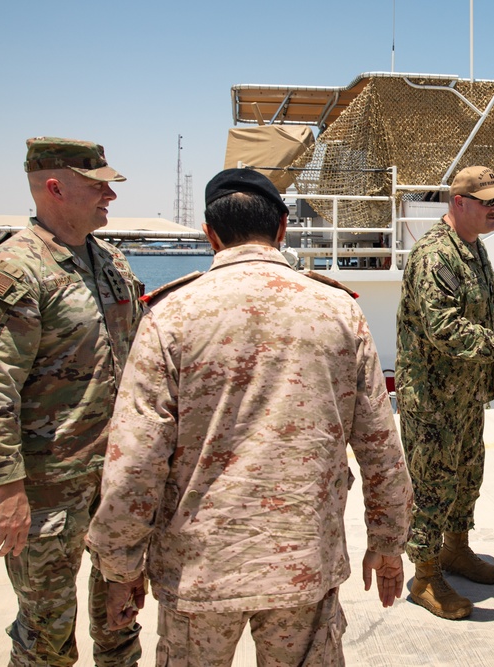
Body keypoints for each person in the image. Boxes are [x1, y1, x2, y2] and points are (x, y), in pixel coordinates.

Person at [85, 168, 413, 666]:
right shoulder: (338, 311)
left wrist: (119, 565)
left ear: (209, 234)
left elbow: (135, 462)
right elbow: (379, 443)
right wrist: (388, 541)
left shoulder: (169, 316)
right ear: (283, 227)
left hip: (200, 572)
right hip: (304, 566)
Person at [0, 137, 143, 666]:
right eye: (97, 186)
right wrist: (7, 492)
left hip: (114, 481)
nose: (110, 195)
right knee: (46, 637)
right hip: (46, 493)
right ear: (56, 188)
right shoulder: (14, 272)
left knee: (120, 622)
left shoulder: (109, 262)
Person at [395, 165, 494, 620]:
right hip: (433, 399)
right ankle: (425, 575)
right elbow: (445, 329)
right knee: (432, 487)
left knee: (465, 479)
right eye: (487, 202)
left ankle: (456, 550)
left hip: (465, 396)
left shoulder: (473, 249)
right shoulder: (434, 255)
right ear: (458, 203)